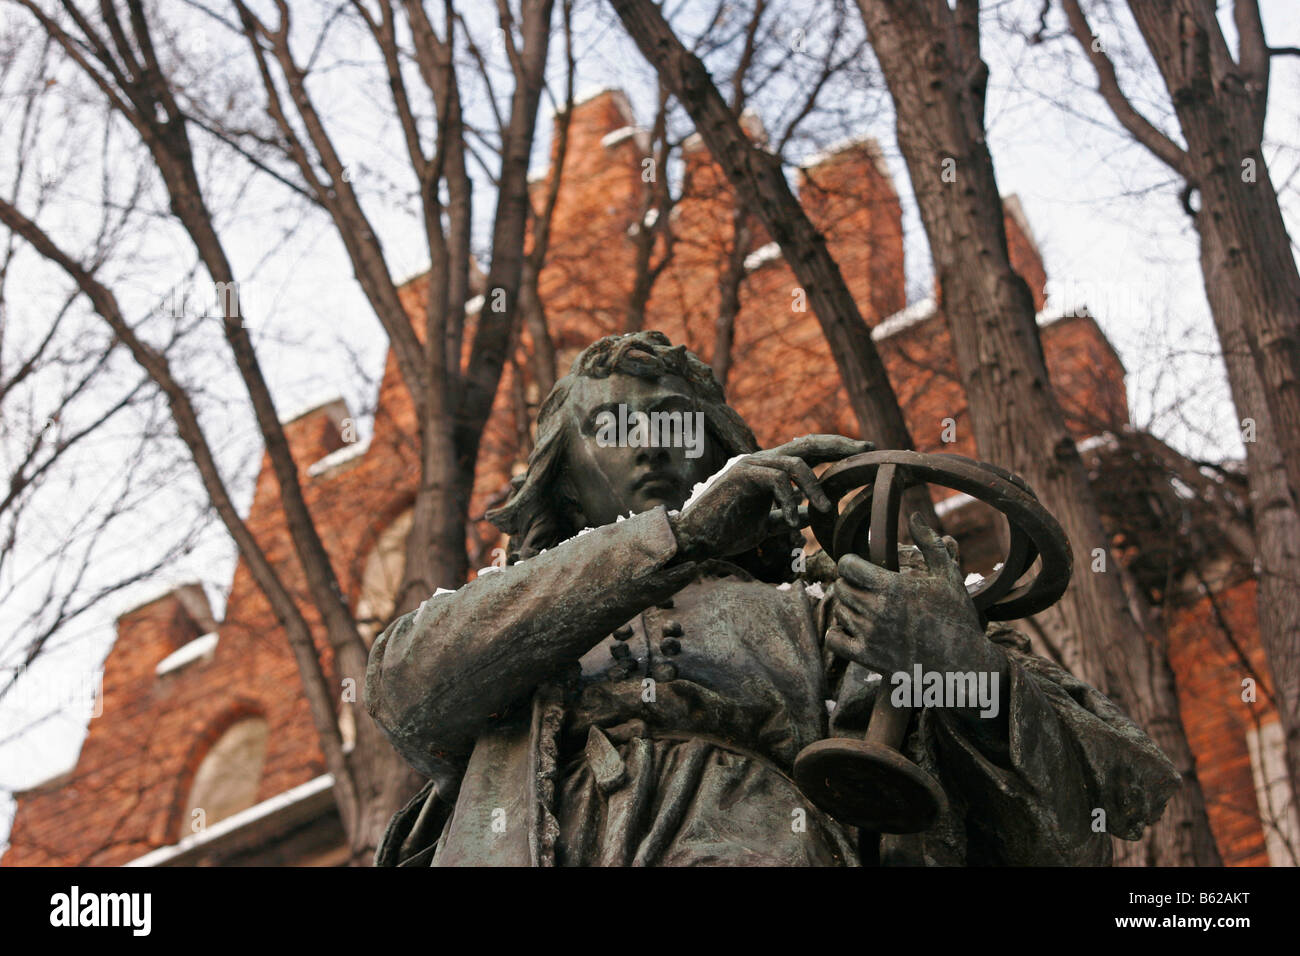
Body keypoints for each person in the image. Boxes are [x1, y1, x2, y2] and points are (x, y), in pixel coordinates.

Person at [365, 331, 1178, 866]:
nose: (650, 443)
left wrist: (959, 669)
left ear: (720, 451)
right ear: (562, 480)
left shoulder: (819, 608)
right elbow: (407, 690)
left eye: (678, 426)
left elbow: (1089, 815)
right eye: (610, 428)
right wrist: (679, 537)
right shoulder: (508, 620)